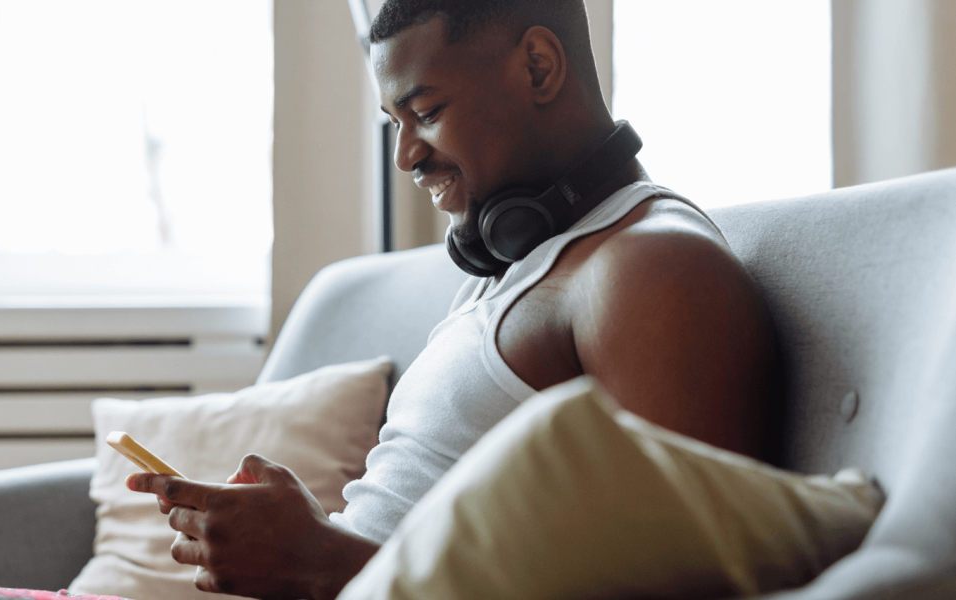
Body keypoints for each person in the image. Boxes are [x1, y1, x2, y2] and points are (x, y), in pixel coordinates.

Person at [125, 1, 782, 599]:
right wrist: (308, 539)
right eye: (393, 123)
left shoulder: (652, 270)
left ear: (538, 66)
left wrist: (322, 561)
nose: (406, 155)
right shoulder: (521, 263)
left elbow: (681, 587)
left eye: (426, 112)